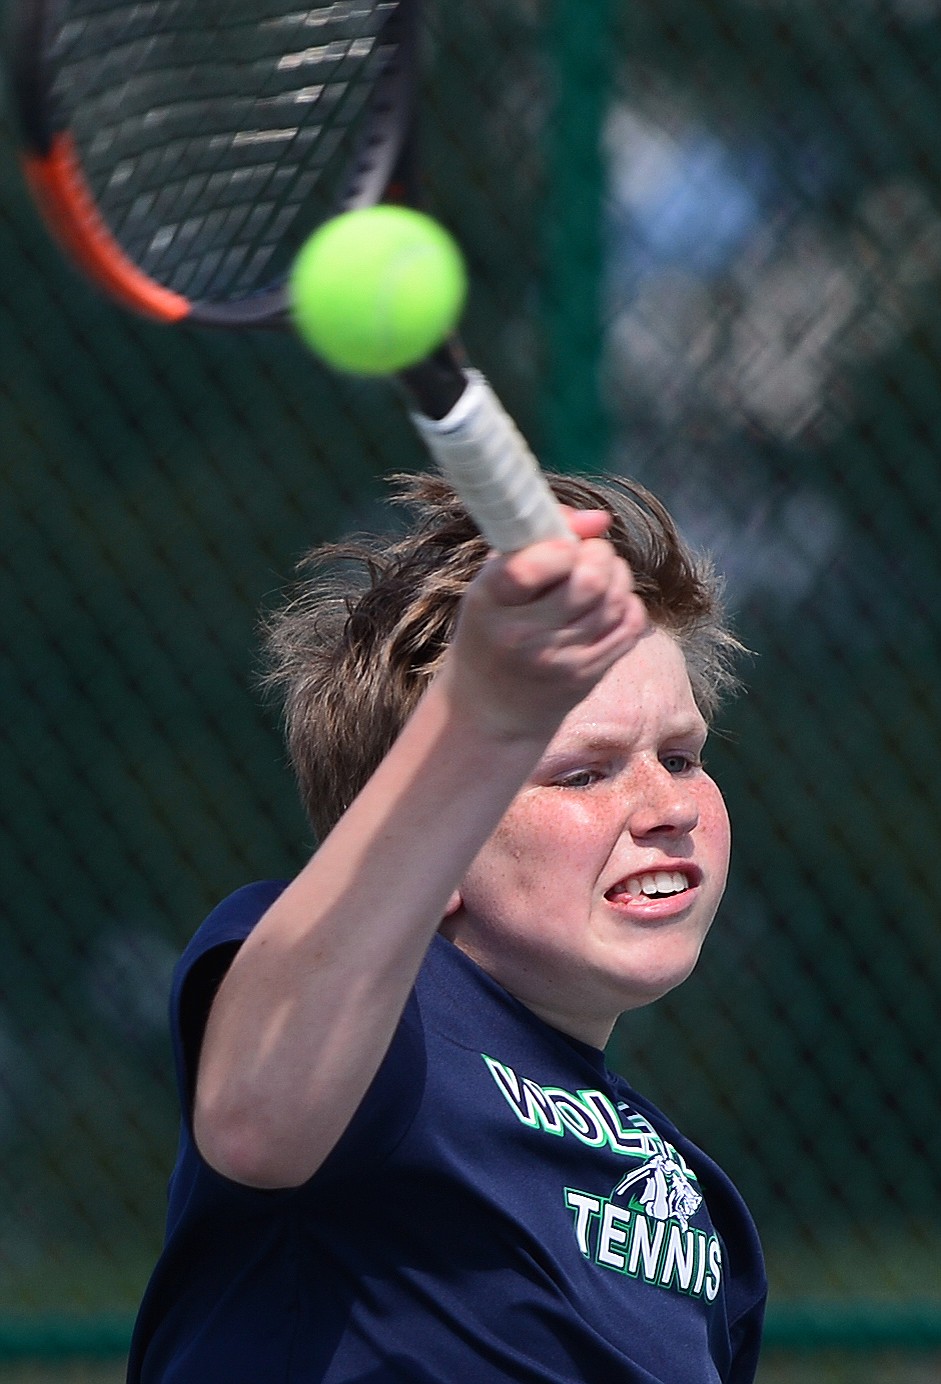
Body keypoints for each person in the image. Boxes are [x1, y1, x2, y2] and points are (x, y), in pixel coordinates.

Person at [128, 471, 766, 1383]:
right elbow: (253, 1124)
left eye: (679, 755)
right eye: (581, 773)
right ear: (439, 841)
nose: (664, 804)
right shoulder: (376, 1024)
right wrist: (477, 717)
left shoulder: (694, 1200)